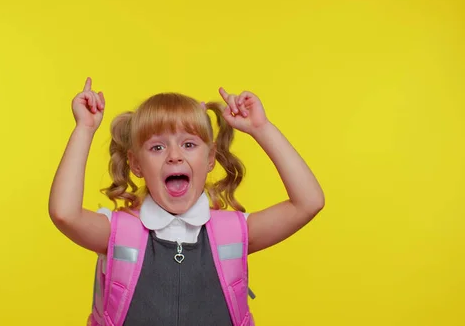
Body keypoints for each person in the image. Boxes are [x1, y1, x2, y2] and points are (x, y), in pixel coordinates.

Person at [48, 77, 325, 326]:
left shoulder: (234, 233)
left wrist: (261, 128)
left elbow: (308, 202)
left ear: (210, 159)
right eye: (157, 147)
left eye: (189, 144)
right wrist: (84, 129)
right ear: (136, 164)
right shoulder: (118, 233)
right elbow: (64, 214)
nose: (174, 156)